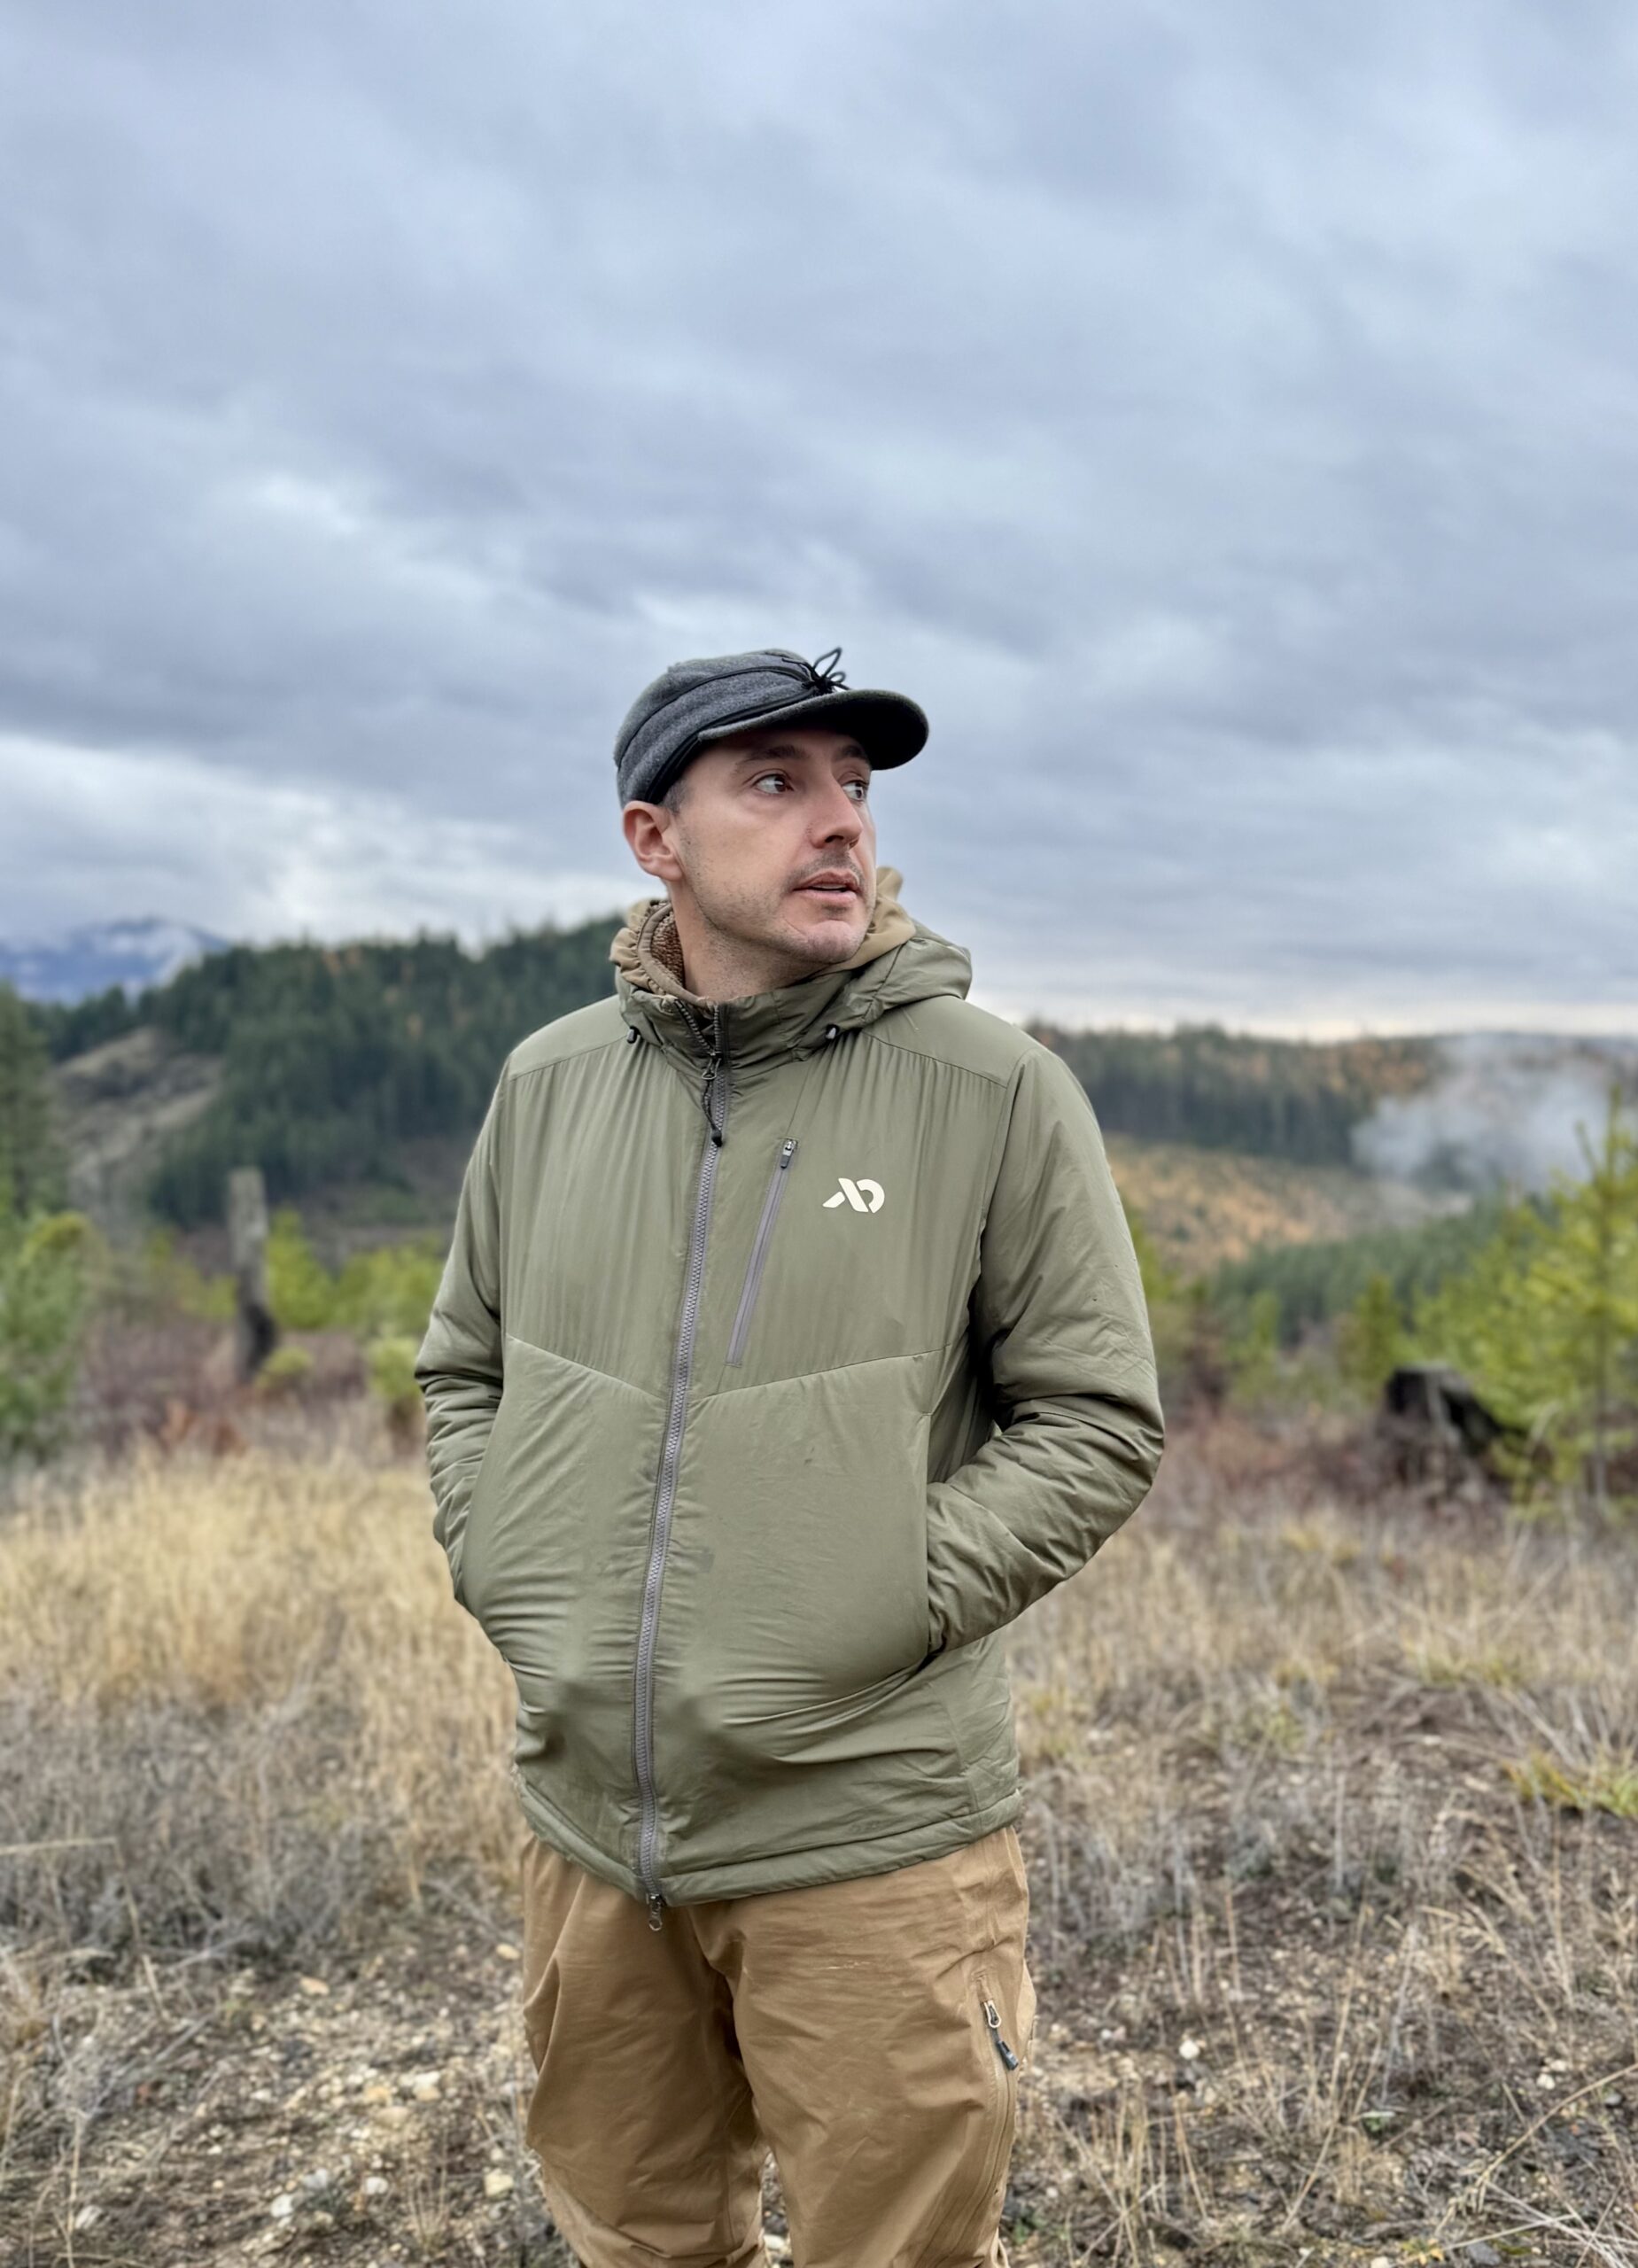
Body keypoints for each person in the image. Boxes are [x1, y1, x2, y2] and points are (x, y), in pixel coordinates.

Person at [415, 646, 1164, 2268]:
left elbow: (1096, 1419)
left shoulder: (993, 1089)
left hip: (869, 1834)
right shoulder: (548, 1085)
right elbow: (464, 1369)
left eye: (855, 786)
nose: (840, 822)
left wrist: (876, 1594)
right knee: (634, 2238)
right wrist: (510, 1571)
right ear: (654, 839)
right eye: (775, 781)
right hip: (589, 1827)